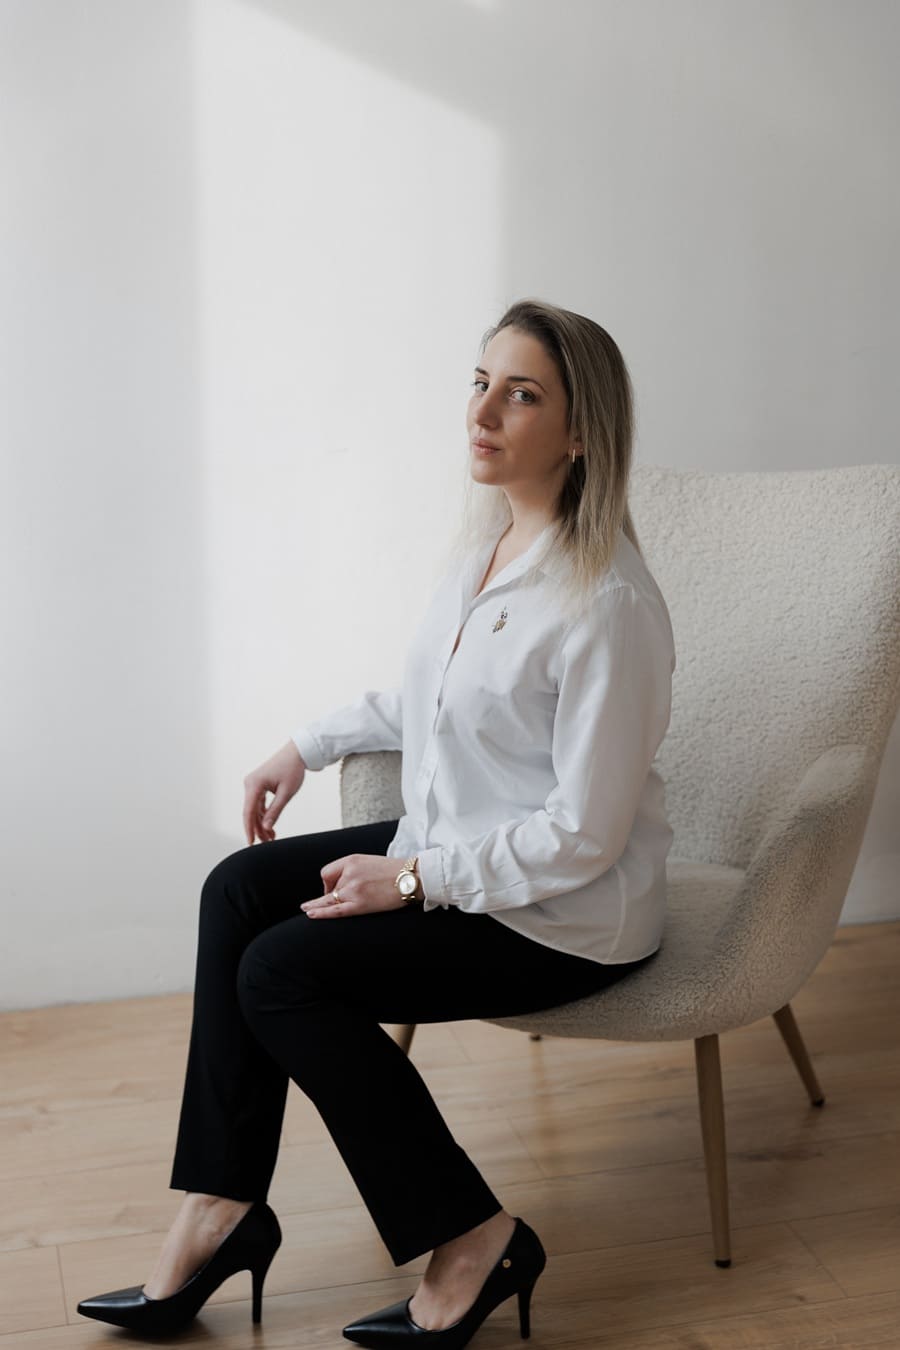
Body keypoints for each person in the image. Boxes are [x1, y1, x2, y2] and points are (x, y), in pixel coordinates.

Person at [76, 298, 676, 1348]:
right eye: (479, 383)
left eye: (520, 395)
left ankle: (475, 1236)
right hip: (461, 856)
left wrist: (408, 882)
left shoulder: (607, 605)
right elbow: (436, 697)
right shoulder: (489, 546)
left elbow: (585, 834)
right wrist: (305, 746)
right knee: (237, 889)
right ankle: (221, 1205)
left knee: (281, 972)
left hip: (559, 914)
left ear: (582, 433)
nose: (481, 413)